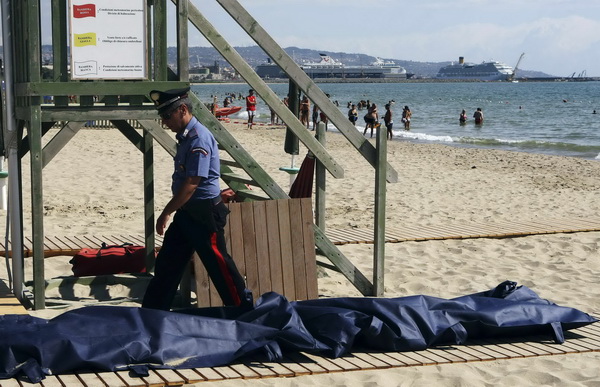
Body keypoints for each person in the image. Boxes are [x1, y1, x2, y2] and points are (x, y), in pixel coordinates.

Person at [143, 87, 253, 311]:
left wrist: (166, 212)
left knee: (219, 267)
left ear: (182, 109)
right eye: (162, 116)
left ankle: (244, 311)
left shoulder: (198, 138)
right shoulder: (185, 137)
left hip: (204, 213)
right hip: (187, 212)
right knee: (167, 264)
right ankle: (151, 314)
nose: (165, 122)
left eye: (167, 116)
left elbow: (192, 184)